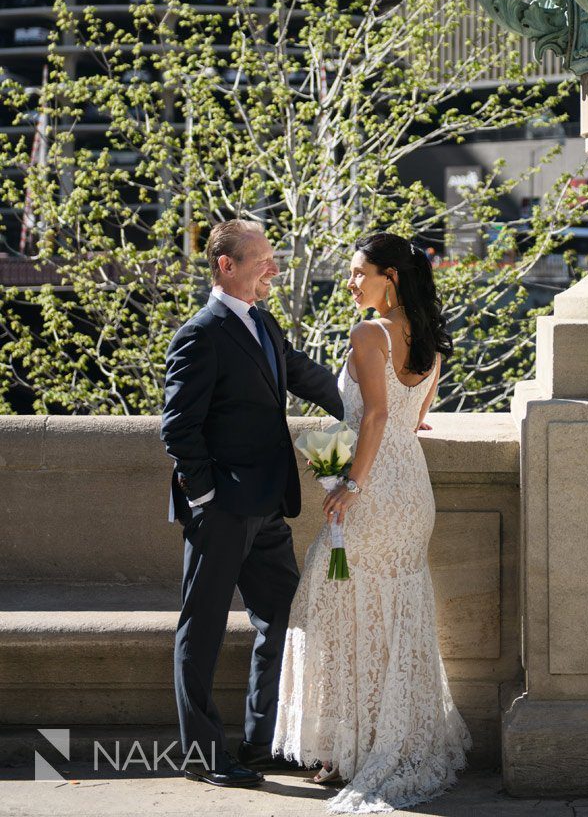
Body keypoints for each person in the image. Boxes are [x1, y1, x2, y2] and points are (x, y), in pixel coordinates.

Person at [273, 232, 471, 813]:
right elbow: (415, 419)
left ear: (390, 276)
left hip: (375, 490)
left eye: (360, 273)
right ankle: (381, 742)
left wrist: (350, 483)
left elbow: (378, 414)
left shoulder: (369, 333)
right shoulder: (428, 339)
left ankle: (350, 753)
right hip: (412, 489)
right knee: (392, 613)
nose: (352, 283)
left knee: (339, 607)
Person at [161, 218, 344, 789]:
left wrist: (375, 407)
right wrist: (208, 496)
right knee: (203, 629)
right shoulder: (199, 334)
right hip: (221, 512)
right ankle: (203, 754)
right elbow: (177, 427)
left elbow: (305, 376)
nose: (274, 269)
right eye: (263, 260)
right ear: (226, 265)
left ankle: (263, 743)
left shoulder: (263, 323)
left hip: (268, 505)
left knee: (285, 618)